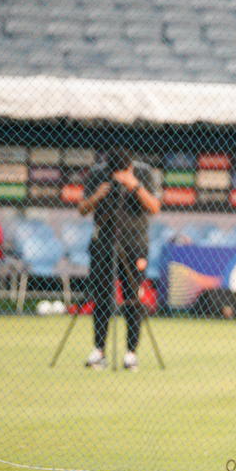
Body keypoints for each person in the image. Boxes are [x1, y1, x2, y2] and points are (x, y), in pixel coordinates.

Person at [77, 146, 160, 372]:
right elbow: (81, 209)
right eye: (116, 175)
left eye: (124, 173)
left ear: (130, 168)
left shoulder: (144, 173)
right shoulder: (97, 174)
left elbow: (155, 208)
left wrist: (135, 186)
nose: (119, 178)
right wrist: (98, 195)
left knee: (133, 297)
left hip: (135, 244)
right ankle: (99, 351)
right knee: (102, 296)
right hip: (104, 243)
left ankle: (131, 353)